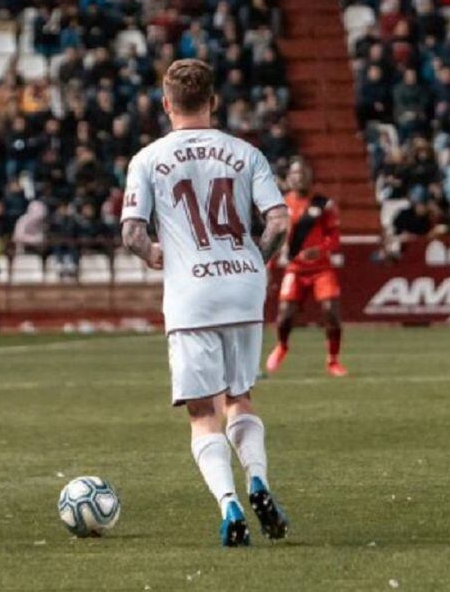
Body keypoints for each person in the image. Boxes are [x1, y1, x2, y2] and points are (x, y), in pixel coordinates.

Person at [120, 59, 291, 547]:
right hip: (243, 286)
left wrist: (152, 253)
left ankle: (230, 505)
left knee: (202, 412)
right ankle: (257, 479)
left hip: (191, 293)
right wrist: (254, 261)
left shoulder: (148, 158)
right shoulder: (245, 153)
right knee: (240, 396)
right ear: (213, 101)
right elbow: (279, 222)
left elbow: (132, 232)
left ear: (166, 104)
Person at [265, 156, 347, 377]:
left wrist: (319, 249)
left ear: (311, 177)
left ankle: (333, 360)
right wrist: (268, 267)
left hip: (322, 269)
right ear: (288, 178)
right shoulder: (281, 206)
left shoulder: (323, 204)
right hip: (295, 269)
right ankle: (282, 346)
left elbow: (335, 238)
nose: (299, 177)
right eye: (295, 173)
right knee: (284, 317)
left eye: (303, 173)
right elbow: (274, 240)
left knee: (331, 313)